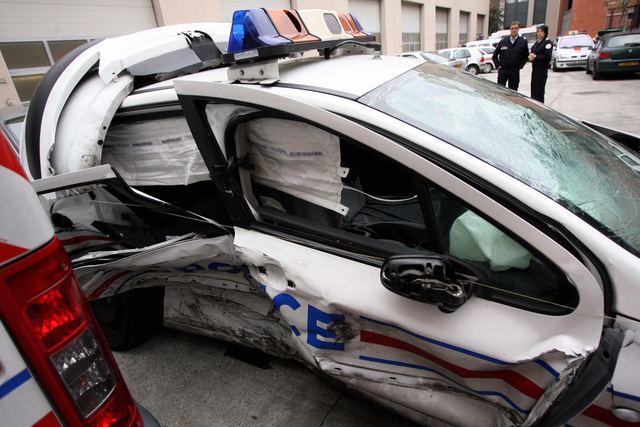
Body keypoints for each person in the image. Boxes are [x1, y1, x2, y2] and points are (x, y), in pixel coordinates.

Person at [492, 21, 529, 90]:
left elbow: (526, 56)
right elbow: (494, 56)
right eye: (512, 28)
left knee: (513, 91)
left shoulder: (522, 42)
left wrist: (520, 66)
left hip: (514, 71)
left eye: (515, 28)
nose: (514, 30)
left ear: (518, 29)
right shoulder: (503, 41)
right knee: (500, 90)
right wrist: (498, 66)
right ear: (510, 29)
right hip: (503, 70)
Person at [528, 25, 553, 103]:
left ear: (545, 32)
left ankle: (539, 106)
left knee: (539, 91)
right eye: (538, 31)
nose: (539, 33)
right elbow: (532, 52)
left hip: (542, 70)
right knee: (533, 90)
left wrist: (535, 57)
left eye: (541, 31)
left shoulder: (547, 42)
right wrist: (531, 57)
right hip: (535, 70)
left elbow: (547, 56)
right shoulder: (537, 43)